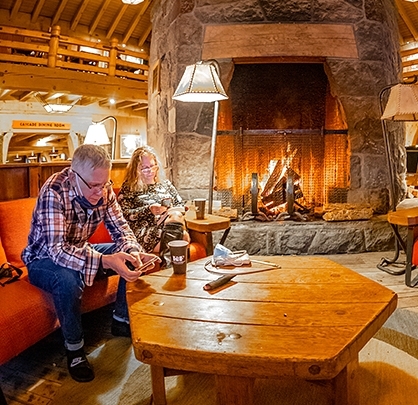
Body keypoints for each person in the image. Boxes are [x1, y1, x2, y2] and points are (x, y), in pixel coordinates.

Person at [22, 144, 158, 383]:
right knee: (67, 277)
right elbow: (58, 251)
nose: (100, 191)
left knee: (126, 253)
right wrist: (106, 260)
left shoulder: (103, 188)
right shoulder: (54, 190)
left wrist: (135, 251)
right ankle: (74, 351)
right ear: (74, 176)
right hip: (43, 260)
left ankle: (121, 321)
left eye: (104, 184)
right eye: (93, 186)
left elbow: (121, 229)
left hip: (79, 251)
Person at [118, 146, 190, 258]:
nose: (150, 171)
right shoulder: (129, 187)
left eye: (152, 166)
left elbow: (179, 204)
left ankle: (168, 265)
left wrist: (174, 211)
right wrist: (149, 210)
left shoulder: (165, 184)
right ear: (135, 169)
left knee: (176, 217)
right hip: (145, 230)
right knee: (183, 236)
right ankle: (171, 266)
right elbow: (123, 214)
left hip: (168, 224)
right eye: (145, 168)